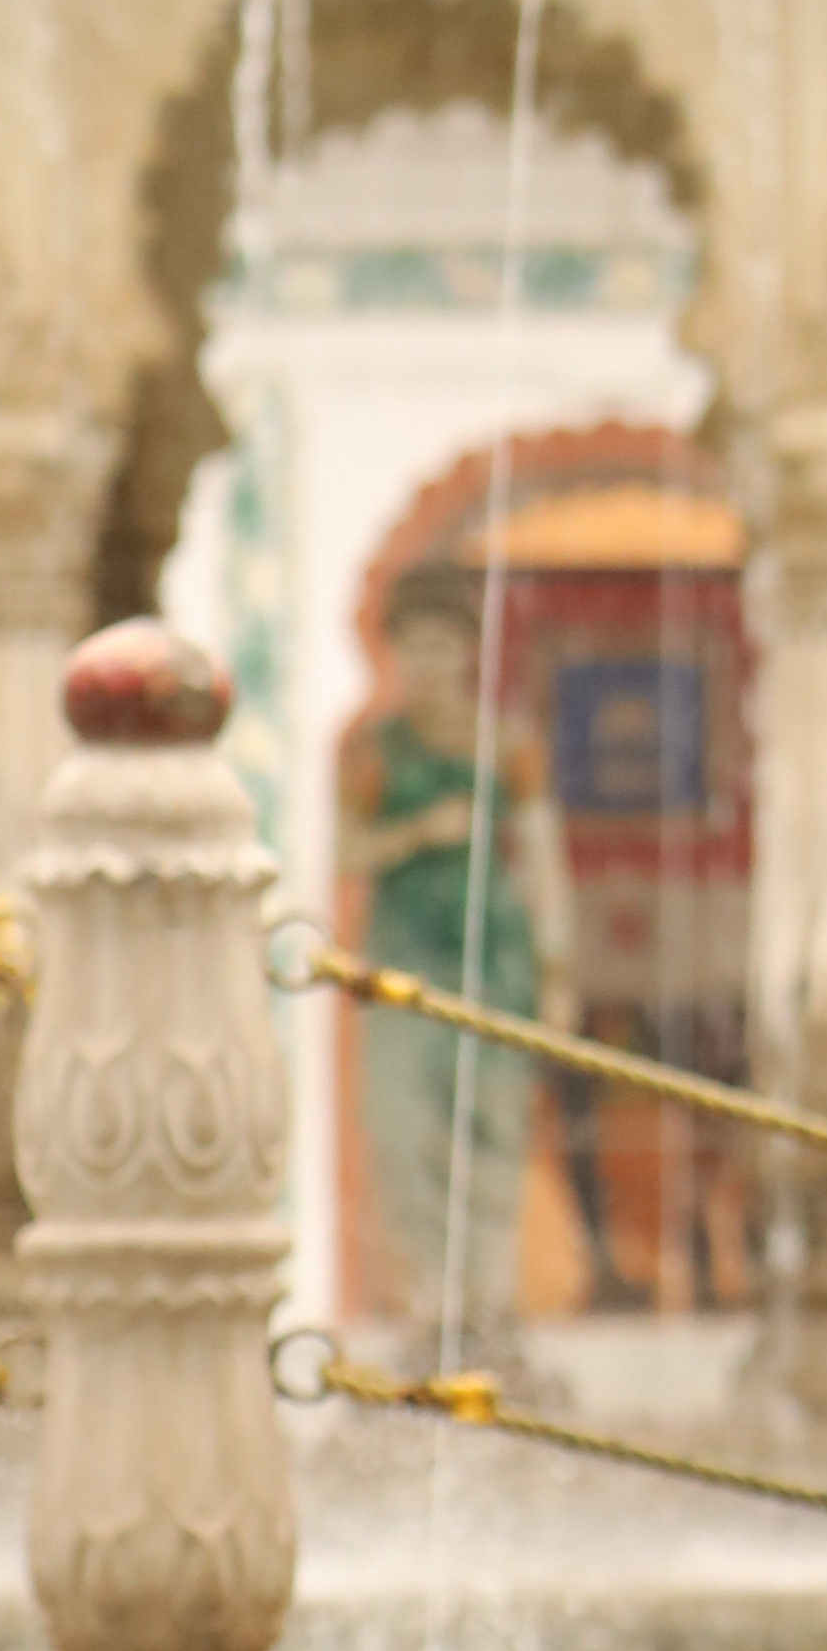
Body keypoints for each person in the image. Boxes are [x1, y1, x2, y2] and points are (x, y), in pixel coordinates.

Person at [334, 565, 578, 1356]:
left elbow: (542, 859)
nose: (428, 665)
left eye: (444, 647)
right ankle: (434, 1304)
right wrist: (417, 834)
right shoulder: (372, 750)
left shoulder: (506, 744)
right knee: (408, 1129)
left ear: (468, 653)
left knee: (493, 1124)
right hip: (404, 956)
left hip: (493, 955)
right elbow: (344, 849)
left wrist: (557, 964)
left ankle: (489, 1302)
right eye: (414, 648)